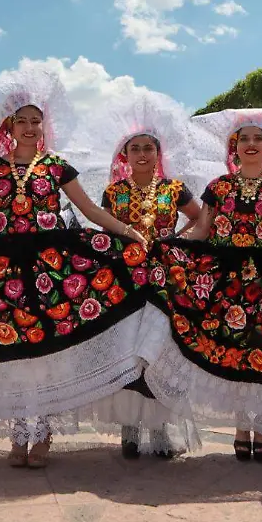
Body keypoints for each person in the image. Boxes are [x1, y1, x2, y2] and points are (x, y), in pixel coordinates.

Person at [0, 68, 152, 468]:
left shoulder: (57, 164)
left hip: (51, 265)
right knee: (14, 346)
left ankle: (41, 433)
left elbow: (89, 209)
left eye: (35, 121)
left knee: (45, 348)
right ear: (10, 127)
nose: (29, 127)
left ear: (44, 126)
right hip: (3, 266)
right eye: (21, 121)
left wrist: (129, 232)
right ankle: (18, 434)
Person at [145, 108, 262, 462]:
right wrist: (169, 246)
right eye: (243, 139)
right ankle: (241, 427)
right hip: (226, 277)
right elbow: (202, 230)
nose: (250, 144)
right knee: (235, 350)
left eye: (257, 139)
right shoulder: (218, 186)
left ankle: (260, 427)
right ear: (234, 147)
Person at [74, 90, 204, 459]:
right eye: (136, 149)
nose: (143, 154)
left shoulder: (174, 189)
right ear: (125, 156)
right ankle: (130, 429)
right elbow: (102, 230)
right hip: (125, 279)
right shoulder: (113, 192)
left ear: (158, 154)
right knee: (128, 349)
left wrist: (177, 241)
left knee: (160, 349)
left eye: (149, 148)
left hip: (166, 278)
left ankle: (161, 429)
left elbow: (200, 218)